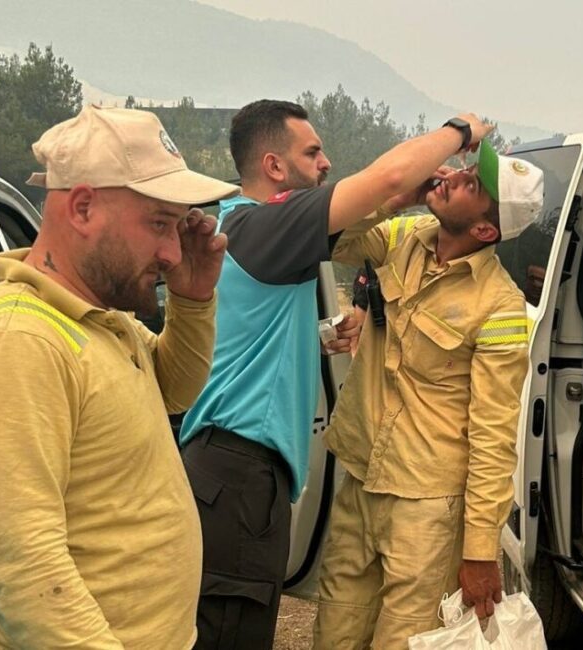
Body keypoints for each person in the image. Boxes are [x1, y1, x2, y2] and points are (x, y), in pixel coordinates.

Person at [177, 100, 496, 649]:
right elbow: (386, 179)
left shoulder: (241, 226)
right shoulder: (266, 225)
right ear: (275, 166)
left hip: (225, 468)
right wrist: (461, 130)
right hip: (239, 476)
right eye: (313, 152)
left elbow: (247, 331)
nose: (326, 163)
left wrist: (315, 339)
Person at [0, 106, 238, 648]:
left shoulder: (97, 317)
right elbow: (19, 565)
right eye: (159, 223)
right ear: (82, 207)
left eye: (177, 226)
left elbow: (175, 390)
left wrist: (192, 300)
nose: (173, 253)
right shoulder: (19, 341)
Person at [313, 143, 545, 647]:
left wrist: (479, 549)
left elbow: (493, 434)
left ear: (485, 231)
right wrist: (395, 198)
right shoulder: (406, 236)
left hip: (428, 508)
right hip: (363, 480)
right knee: (334, 633)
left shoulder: (500, 306)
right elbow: (331, 236)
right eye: (466, 168)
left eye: (472, 184)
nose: (455, 176)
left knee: (402, 641)